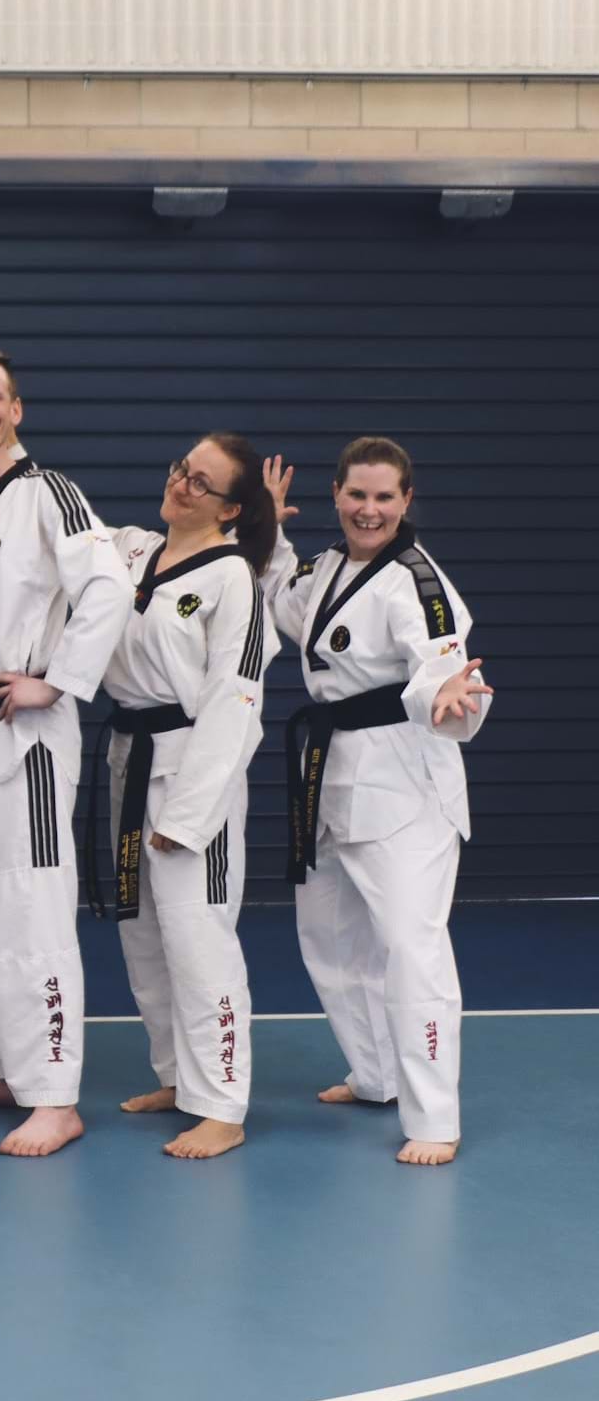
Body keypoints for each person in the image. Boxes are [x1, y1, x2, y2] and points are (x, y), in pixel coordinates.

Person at [262, 438, 491, 1166]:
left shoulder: (418, 582)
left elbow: (440, 664)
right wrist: (267, 532)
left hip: (402, 778)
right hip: (329, 772)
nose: (369, 509)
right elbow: (286, 602)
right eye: (357, 494)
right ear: (336, 493)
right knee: (329, 940)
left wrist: (447, 695)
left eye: (384, 497)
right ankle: (376, 1075)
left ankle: (435, 1117)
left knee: (409, 948)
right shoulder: (328, 565)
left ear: (405, 500)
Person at [0, 343, 128, 1158]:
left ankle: (53, 1095)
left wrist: (59, 681)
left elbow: (108, 584)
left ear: (14, 410)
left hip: (25, 738)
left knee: (31, 913)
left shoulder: (48, 493)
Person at [87, 433, 278, 1159]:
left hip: (190, 772)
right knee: (142, 937)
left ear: (230, 509)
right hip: (129, 757)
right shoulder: (131, 550)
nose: (181, 485)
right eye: (181, 470)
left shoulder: (234, 580)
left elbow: (236, 702)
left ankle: (222, 1105)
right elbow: (57, 525)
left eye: (201, 482)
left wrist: (190, 816)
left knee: (198, 939)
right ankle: (177, 1078)